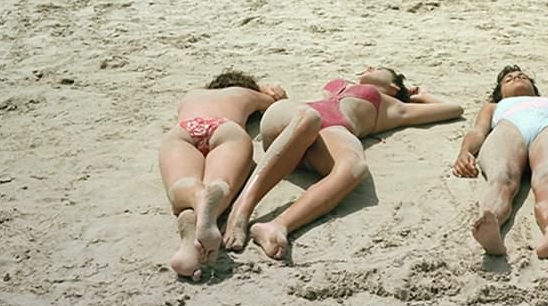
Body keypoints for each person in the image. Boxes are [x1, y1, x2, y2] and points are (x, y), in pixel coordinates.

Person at [223, 67, 464, 258]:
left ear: (393, 86)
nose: (368, 67)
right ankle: (243, 208)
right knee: (309, 117)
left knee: (355, 167)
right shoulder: (338, 85)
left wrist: (418, 94)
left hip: (332, 132)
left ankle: (278, 226)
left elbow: (454, 108)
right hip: (293, 119)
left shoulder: (395, 107)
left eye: (378, 68)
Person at [453, 65, 548, 258]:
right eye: (508, 79)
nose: (516, 78)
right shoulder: (493, 107)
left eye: (522, 76)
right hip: (509, 128)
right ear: (500, 92)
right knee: (501, 176)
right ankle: (491, 226)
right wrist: (465, 151)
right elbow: (478, 131)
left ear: (534, 88)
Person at [159, 71, 287, 280]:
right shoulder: (243, 93)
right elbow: (275, 101)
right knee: (222, 182)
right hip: (225, 128)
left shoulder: (191, 95)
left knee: (179, 187)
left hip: (184, 130)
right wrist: (263, 89)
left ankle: (195, 200)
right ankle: (209, 203)